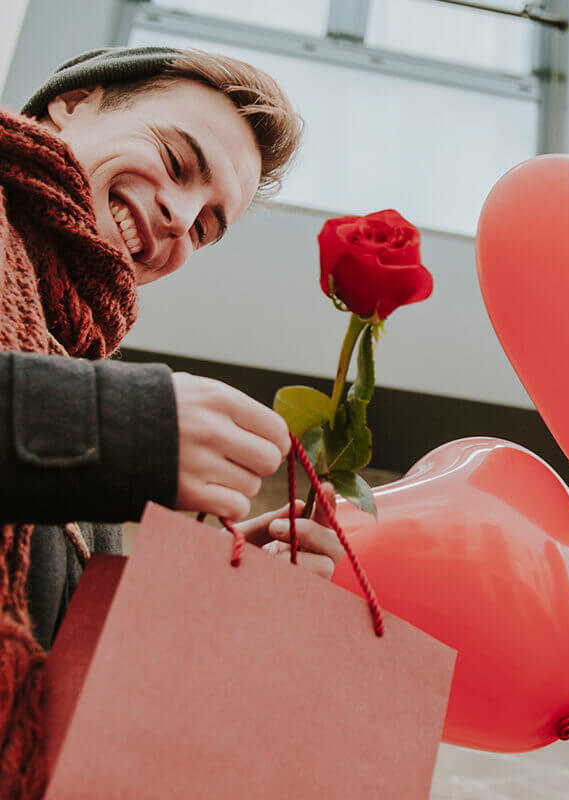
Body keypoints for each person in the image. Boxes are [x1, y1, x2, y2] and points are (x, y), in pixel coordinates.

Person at [1, 46, 342, 790]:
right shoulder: (99, 411)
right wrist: (124, 427)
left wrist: (202, 600)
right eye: (177, 160)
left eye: (209, 226)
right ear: (74, 102)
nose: (182, 221)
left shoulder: (76, 373)